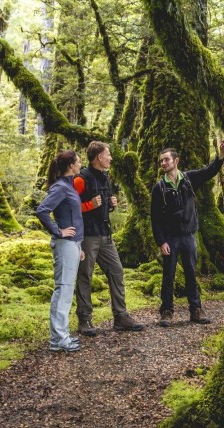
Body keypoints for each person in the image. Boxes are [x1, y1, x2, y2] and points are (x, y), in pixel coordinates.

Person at [150, 137, 224, 327]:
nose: (163, 163)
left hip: (189, 236)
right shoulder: (159, 188)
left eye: (166, 159)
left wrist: (220, 155)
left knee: (191, 274)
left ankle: (196, 310)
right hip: (170, 239)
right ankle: (166, 312)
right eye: (161, 160)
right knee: (168, 275)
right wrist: (161, 241)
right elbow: (155, 218)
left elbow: (209, 171)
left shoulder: (189, 179)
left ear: (176, 161)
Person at [73, 141, 144, 335]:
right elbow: (69, 207)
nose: (111, 157)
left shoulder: (105, 177)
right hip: (87, 236)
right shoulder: (81, 179)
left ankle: (121, 316)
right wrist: (88, 205)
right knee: (85, 276)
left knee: (117, 271)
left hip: (105, 235)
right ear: (99, 158)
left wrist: (111, 204)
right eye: (108, 154)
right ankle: (85, 320)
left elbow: (103, 202)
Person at [36, 150, 86, 353]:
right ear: (70, 166)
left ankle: (59, 338)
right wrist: (58, 231)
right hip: (65, 245)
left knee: (65, 289)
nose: (80, 164)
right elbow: (42, 210)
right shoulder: (60, 188)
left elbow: (74, 217)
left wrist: (79, 246)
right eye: (78, 161)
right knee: (63, 290)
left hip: (72, 245)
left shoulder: (69, 186)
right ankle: (60, 338)